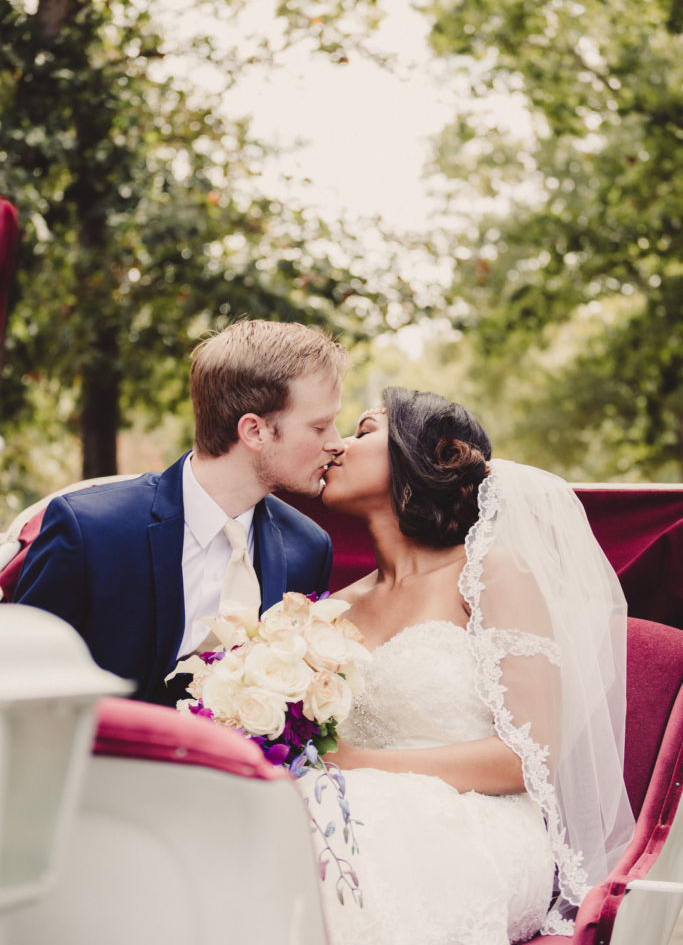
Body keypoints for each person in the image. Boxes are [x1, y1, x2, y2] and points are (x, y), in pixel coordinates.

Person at [306, 387, 634, 945]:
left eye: (363, 431)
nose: (335, 447)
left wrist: (351, 765)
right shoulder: (334, 609)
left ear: (422, 456)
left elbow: (526, 759)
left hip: (481, 822)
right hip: (351, 810)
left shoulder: (490, 574)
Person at [15, 319, 348, 705]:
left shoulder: (308, 547)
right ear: (254, 431)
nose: (338, 443)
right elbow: (19, 675)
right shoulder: (90, 530)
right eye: (320, 426)